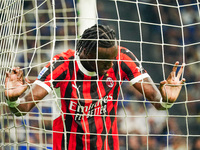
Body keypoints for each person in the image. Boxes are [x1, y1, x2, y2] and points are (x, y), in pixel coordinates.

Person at [4, 24, 185, 150]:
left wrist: (167, 100)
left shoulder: (122, 58)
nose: (110, 65)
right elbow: (23, 108)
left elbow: (156, 100)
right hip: (69, 144)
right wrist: (12, 99)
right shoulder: (62, 66)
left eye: (112, 59)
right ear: (86, 53)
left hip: (107, 144)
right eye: (105, 61)